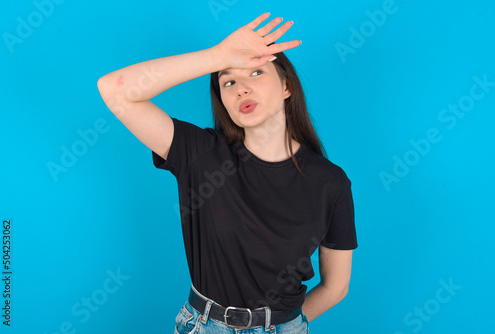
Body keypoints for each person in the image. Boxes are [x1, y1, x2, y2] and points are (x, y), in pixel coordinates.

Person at [97, 12, 358, 334]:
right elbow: (115, 90)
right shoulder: (200, 154)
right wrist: (218, 56)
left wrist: (280, 327)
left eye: (256, 72)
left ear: (287, 85)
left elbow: (336, 287)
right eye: (228, 81)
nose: (241, 89)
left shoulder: (330, 182)